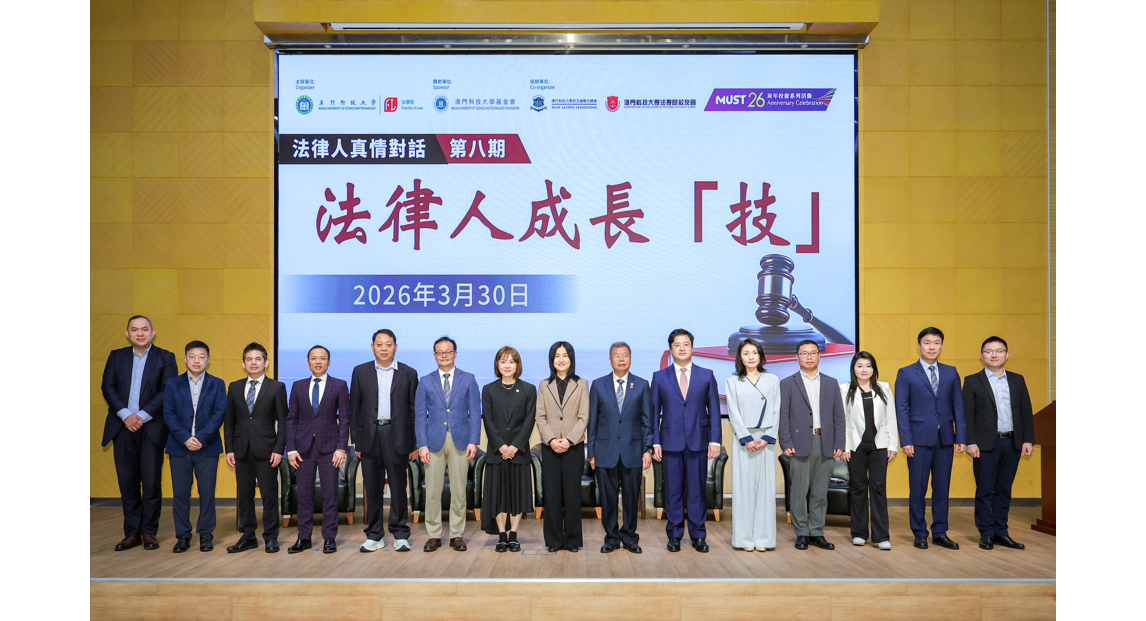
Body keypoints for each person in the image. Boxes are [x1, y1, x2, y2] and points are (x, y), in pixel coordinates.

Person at [101, 315, 179, 552]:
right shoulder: (116, 356)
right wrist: (126, 415)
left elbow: (167, 390)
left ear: (153, 332)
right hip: (122, 426)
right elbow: (108, 387)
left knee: (151, 483)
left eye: (144, 329)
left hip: (152, 428)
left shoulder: (165, 357)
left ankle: (149, 532)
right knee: (128, 483)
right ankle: (132, 533)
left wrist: (141, 416)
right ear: (128, 334)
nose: (140, 333)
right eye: (134, 330)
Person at [895, 327, 967, 550]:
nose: (932, 347)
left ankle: (940, 532)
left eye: (936, 343)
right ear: (919, 346)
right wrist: (906, 440)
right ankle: (919, 532)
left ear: (942, 346)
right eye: (927, 343)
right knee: (918, 488)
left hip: (945, 438)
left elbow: (958, 406)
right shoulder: (906, 373)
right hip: (917, 440)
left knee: (942, 488)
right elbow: (901, 409)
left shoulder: (951, 372)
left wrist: (961, 436)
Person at [651, 329, 722, 553]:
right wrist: (655, 442)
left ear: (692, 347)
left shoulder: (706, 375)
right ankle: (674, 535)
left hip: (698, 441)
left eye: (686, 344)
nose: (682, 348)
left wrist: (715, 441)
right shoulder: (659, 377)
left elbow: (714, 410)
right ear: (670, 349)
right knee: (672, 491)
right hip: (670, 442)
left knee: (697, 491)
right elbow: (653, 413)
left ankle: (698, 535)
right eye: (677, 344)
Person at [963, 336, 1035, 551]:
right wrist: (970, 442)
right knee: (985, 490)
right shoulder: (972, 381)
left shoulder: (1017, 380)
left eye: (999, 351)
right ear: (981, 355)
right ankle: (986, 533)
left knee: (1004, 490)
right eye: (989, 351)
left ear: (1007, 354)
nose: (994, 355)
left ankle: (1001, 532)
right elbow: (967, 415)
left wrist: (1028, 439)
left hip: (1012, 443)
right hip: (985, 445)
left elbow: (1025, 411)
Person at [349, 329, 419, 553]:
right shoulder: (360, 371)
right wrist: (356, 441)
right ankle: (374, 535)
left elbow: (414, 410)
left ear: (395, 347)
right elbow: (354, 408)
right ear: (372, 347)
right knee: (372, 486)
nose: (384, 348)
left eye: (388, 344)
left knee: (398, 486)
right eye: (379, 344)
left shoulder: (409, 373)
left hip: (398, 435)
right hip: (369, 437)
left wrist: (415, 443)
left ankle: (400, 534)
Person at [413, 336, 481, 552]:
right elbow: (419, 416)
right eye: (439, 352)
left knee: (459, 491)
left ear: (455, 354)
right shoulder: (425, 381)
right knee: (433, 491)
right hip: (433, 442)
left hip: (461, 440)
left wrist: (473, 440)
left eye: (448, 351)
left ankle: (456, 534)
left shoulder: (468, 379)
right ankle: (434, 535)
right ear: (435, 355)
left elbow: (475, 413)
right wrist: (422, 445)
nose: (444, 355)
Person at [779, 340, 846, 551]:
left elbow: (839, 416)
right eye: (804, 353)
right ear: (797, 357)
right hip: (799, 444)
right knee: (799, 492)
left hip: (825, 443)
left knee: (820, 492)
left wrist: (839, 443)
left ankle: (817, 532)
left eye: (813, 353)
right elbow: (783, 416)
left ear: (819, 355)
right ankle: (801, 533)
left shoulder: (831, 383)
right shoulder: (787, 383)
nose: (809, 357)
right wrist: (786, 442)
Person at [588, 342, 653, 554]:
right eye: (617, 355)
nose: (621, 359)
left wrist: (647, 450)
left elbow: (647, 421)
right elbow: (593, 422)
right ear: (610, 360)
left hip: (633, 451)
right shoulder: (598, 385)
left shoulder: (641, 385)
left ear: (630, 358)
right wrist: (592, 453)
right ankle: (612, 538)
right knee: (608, 499)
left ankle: (630, 537)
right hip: (605, 451)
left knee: (631, 498)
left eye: (625, 355)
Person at [224, 343, 288, 554]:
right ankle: (248, 536)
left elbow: (283, 422)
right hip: (241, 451)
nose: (253, 363)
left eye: (258, 359)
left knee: (269, 496)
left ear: (266, 362)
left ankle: (271, 537)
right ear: (243, 363)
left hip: (268, 452)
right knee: (245, 496)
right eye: (249, 359)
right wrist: (229, 449)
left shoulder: (277, 387)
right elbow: (229, 421)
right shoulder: (234, 387)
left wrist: (279, 449)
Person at [163, 341, 227, 552]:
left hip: (207, 447)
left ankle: (206, 534)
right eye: (192, 356)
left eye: (201, 356)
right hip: (179, 447)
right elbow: (169, 414)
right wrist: (185, 438)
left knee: (207, 494)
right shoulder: (173, 384)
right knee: (180, 494)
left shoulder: (217, 384)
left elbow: (219, 414)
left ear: (208, 360)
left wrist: (200, 437)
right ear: (185, 359)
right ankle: (182, 535)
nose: (197, 360)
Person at [286, 345, 350, 554]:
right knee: (304, 495)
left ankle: (329, 538)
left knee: (330, 495)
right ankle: (303, 537)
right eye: (314, 358)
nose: (318, 362)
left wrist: (341, 448)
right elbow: (292, 418)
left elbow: (344, 418)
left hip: (330, 448)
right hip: (302, 449)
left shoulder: (339, 385)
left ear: (329, 362)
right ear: (308, 362)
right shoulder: (297, 386)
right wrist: (291, 449)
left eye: (322, 358)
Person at [723, 338, 780, 552]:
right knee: (743, 489)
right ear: (740, 357)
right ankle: (744, 539)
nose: (751, 357)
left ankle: (764, 539)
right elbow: (733, 411)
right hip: (743, 439)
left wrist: (766, 437)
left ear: (761, 355)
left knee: (765, 489)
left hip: (766, 439)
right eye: (746, 353)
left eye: (754, 352)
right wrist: (746, 438)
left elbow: (776, 409)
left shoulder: (772, 379)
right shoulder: (732, 382)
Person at [840, 351, 899, 551]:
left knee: (878, 489)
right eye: (860, 366)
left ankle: (881, 536)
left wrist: (893, 445)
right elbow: (842, 420)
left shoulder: (884, 388)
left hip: (879, 446)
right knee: (858, 489)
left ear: (873, 369)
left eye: (868, 366)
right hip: (855, 446)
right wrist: (844, 447)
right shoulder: (844, 389)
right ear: (853, 369)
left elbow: (891, 417)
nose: (864, 370)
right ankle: (859, 533)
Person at [536, 341, 591, 553]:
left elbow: (584, 417)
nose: (561, 359)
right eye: (557, 356)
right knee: (551, 494)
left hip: (573, 446)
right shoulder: (544, 385)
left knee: (572, 494)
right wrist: (551, 440)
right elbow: (540, 417)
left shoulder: (582, 384)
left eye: (565, 355)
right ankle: (554, 540)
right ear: (552, 360)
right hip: (550, 447)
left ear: (571, 359)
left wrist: (569, 440)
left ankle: (572, 540)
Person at [480, 346, 536, 552]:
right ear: (497, 364)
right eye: (503, 361)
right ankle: (502, 536)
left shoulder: (529, 389)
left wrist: (514, 446)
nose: (507, 365)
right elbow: (488, 421)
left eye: (511, 361)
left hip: (519, 452)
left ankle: (513, 535)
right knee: (498, 495)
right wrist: (502, 446)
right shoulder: (488, 389)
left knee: (518, 494)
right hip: (497, 452)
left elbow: (529, 421)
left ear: (517, 365)